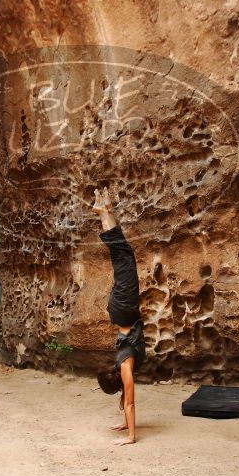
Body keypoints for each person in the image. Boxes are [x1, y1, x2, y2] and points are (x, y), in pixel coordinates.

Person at [93, 187, 146, 446]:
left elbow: (131, 402)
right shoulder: (122, 367)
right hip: (121, 308)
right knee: (123, 257)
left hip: (124, 307)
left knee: (123, 257)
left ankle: (103, 212)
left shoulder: (125, 365)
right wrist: (126, 425)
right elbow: (126, 398)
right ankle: (107, 212)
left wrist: (131, 438)